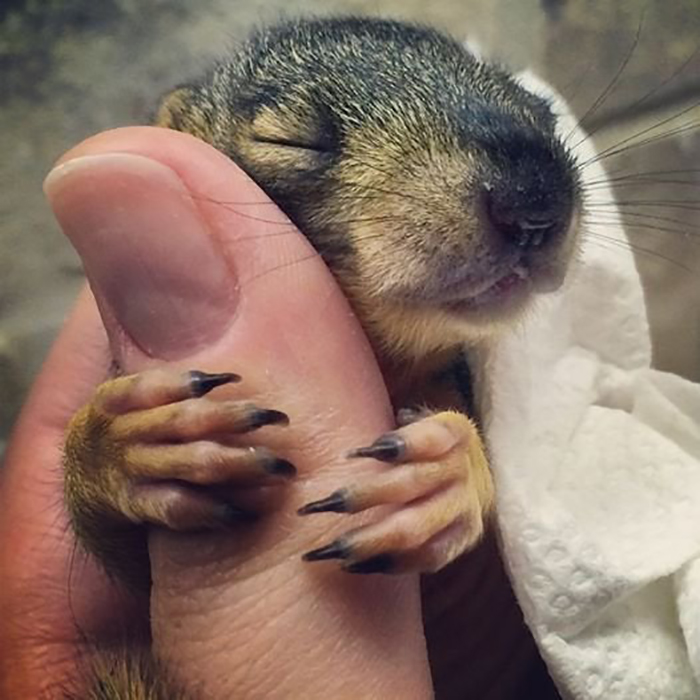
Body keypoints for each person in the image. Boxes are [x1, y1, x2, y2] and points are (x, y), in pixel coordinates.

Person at [0, 127, 536, 699]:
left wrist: (458, 476)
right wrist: (102, 459)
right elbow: (127, 567)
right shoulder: (147, 394)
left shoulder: (450, 391)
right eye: (298, 145)